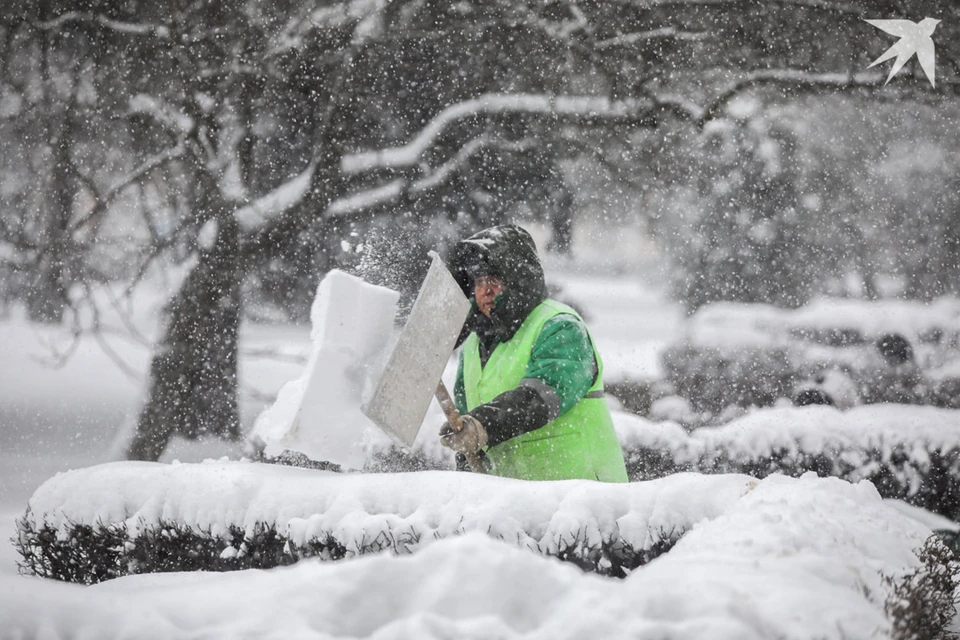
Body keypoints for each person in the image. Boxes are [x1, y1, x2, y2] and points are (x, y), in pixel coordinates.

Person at [439, 224, 628, 482]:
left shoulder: (560, 326)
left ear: (520, 281)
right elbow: (468, 426)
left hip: (584, 500)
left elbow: (541, 397)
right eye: (479, 282)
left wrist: (483, 425)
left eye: (494, 281)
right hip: (519, 506)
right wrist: (467, 448)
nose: (484, 292)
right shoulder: (474, 345)